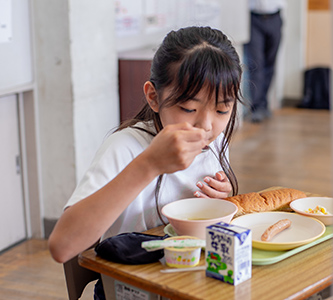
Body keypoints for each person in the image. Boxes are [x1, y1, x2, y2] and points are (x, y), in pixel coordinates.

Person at [48, 26, 243, 298]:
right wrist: (149, 164)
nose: (206, 126)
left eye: (222, 109)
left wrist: (225, 196)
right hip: (131, 288)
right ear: (154, 97)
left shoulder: (216, 142)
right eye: (189, 108)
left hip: (190, 282)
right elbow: (62, 246)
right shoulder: (125, 147)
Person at [244, 0, 286, 122]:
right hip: (254, 18)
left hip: (275, 17)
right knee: (256, 64)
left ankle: (263, 103)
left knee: (270, 64)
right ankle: (256, 107)